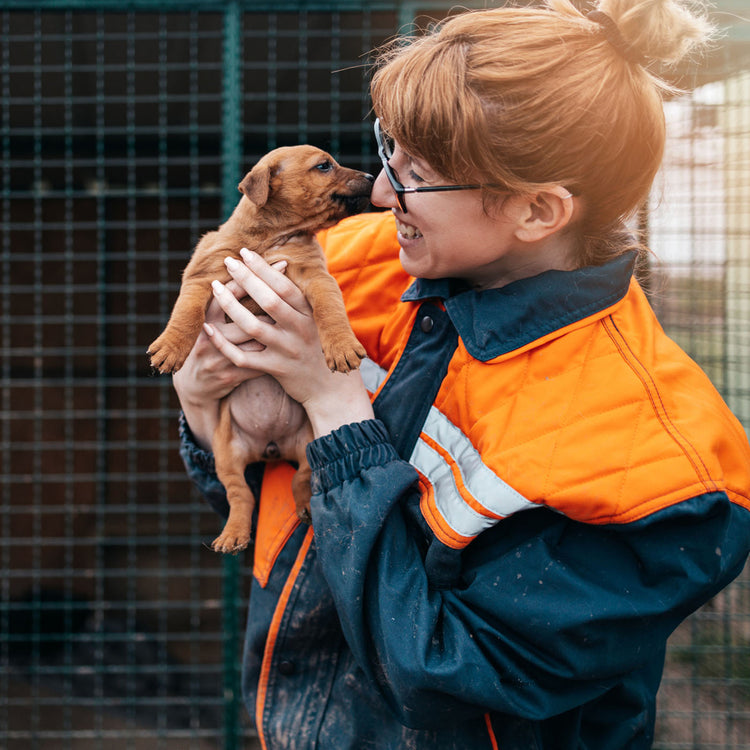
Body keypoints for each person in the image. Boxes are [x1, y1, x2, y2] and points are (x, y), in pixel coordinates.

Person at [173, 0, 750, 747]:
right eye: (388, 151)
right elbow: (290, 526)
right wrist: (202, 411)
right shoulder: (353, 264)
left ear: (537, 210)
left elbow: (445, 677)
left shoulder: (663, 472)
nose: (381, 192)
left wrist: (336, 408)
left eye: (416, 175)